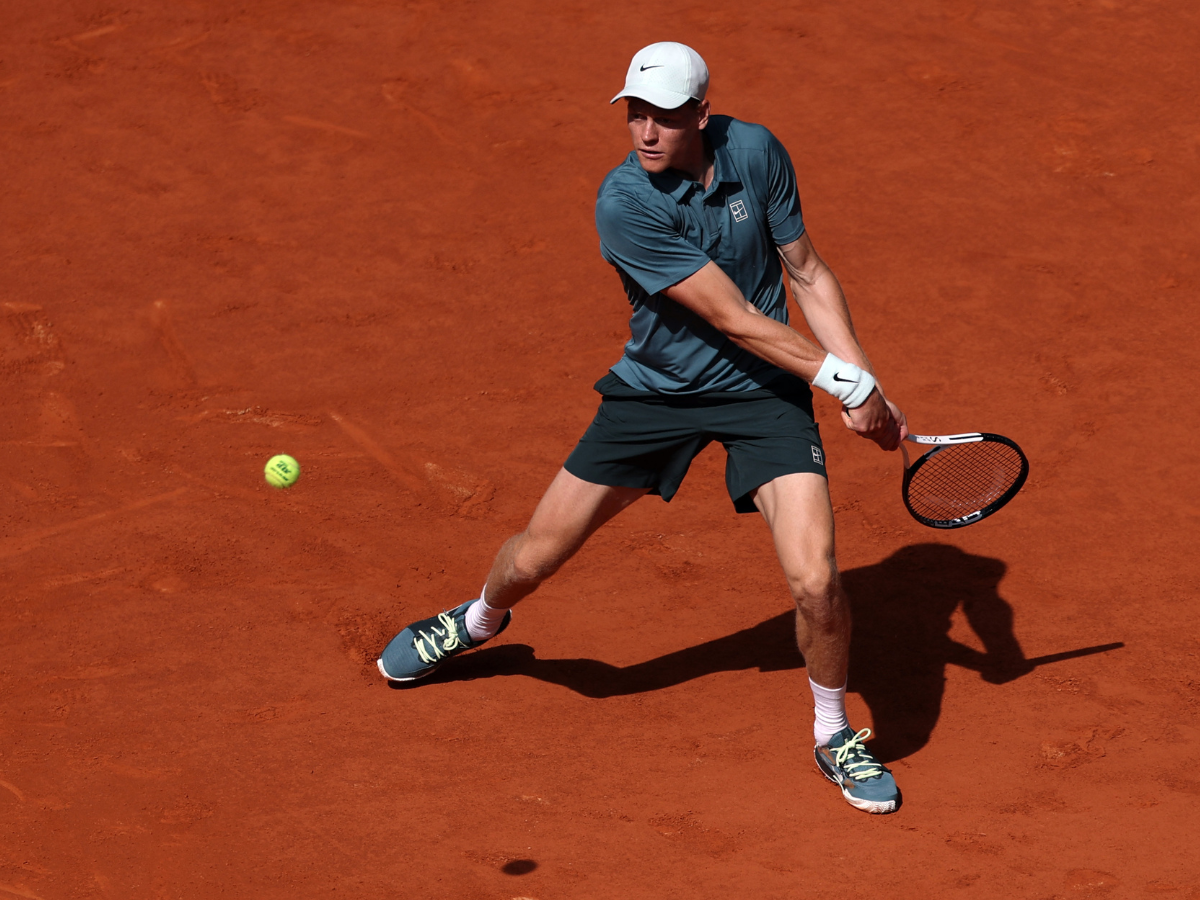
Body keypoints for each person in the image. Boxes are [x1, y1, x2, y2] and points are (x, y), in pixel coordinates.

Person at [378, 41, 908, 814]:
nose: (645, 132)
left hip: (763, 393)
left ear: (701, 115)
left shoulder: (756, 151)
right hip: (656, 395)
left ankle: (834, 734)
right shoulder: (623, 203)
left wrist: (868, 383)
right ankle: (477, 619)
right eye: (634, 114)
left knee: (818, 579)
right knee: (537, 554)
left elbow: (806, 273)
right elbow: (732, 316)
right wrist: (842, 380)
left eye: (663, 116)